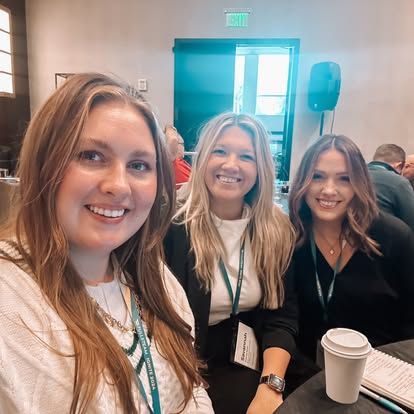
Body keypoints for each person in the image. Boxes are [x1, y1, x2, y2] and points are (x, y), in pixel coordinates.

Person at [0, 73, 213, 413]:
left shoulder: (152, 276)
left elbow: (191, 390)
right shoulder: (11, 301)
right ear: (44, 163)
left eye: (139, 165)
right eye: (91, 156)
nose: (119, 185)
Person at [163, 112, 298, 414]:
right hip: (179, 356)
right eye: (220, 151)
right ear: (202, 159)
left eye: (246, 157)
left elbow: (282, 317)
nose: (231, 165)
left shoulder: (276, 229)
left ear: (261, 168)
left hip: (244, 354)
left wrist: (270, 387)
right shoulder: (169, 225)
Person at [289, 134, 414, 364]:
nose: (328, 190)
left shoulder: (394, 237)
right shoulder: (290, 238)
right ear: (302, 182)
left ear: (359, 184)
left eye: (344, 179)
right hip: (305, 376)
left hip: (383, 374)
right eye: (317, 176)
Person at [367, 143, 414, 230]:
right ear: (399, 166)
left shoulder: (353, 175)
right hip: (386, 239)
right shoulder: (399, 182)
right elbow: (411, 220)